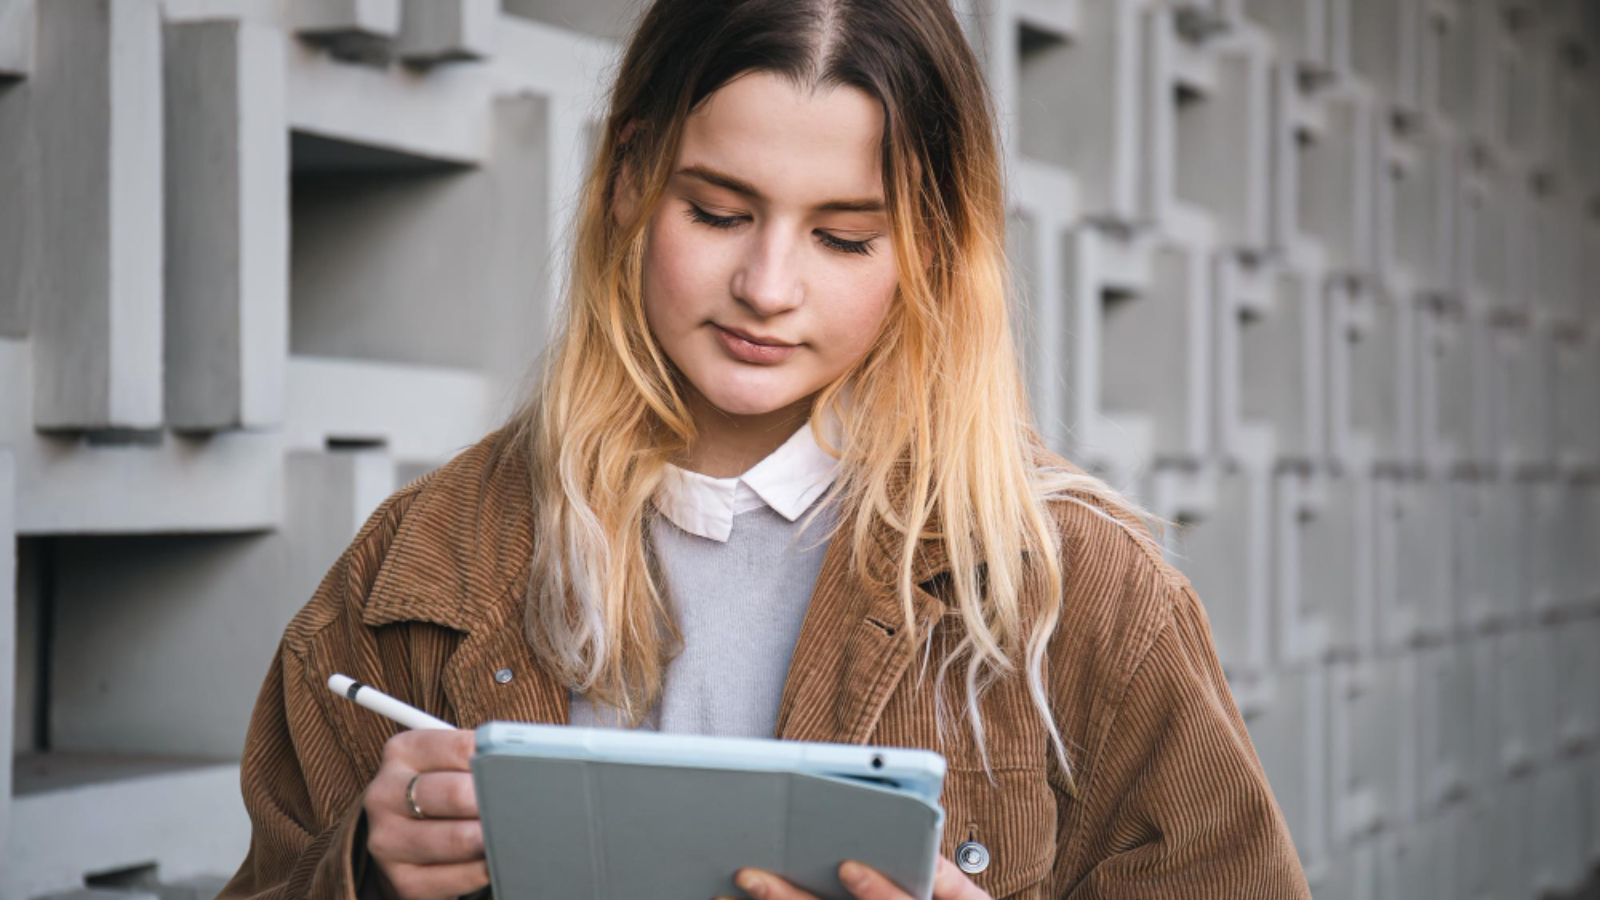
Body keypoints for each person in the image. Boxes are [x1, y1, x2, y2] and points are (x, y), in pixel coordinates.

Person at [217, 0, 1312, 898]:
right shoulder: (422, 566)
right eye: (718, 211)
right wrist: (357, 871)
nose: (768, 288)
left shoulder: (1075, 593)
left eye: (843, 237)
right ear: (631, 181)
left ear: (930, 249)